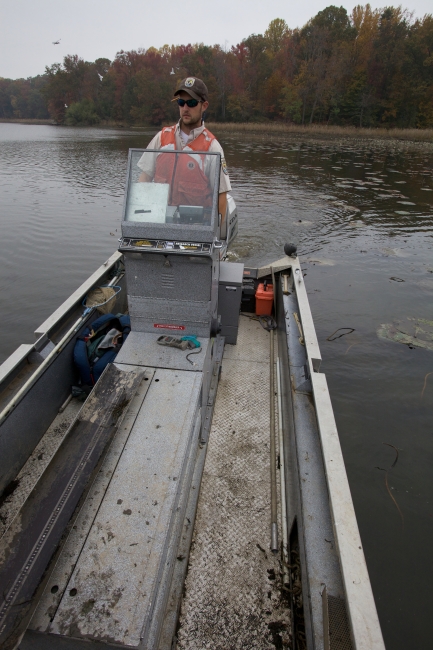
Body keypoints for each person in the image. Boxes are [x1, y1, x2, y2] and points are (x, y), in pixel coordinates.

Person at [137, 77, 231, 221]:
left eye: (191, 103)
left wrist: (214, 231)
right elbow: (144, 178)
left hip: (196, 228)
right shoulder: (161, 138)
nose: (185, 108)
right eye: (181, 102)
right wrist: (140, 216)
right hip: (160, 223)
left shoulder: (212, 147)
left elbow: (221, 197)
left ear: (204, 105)